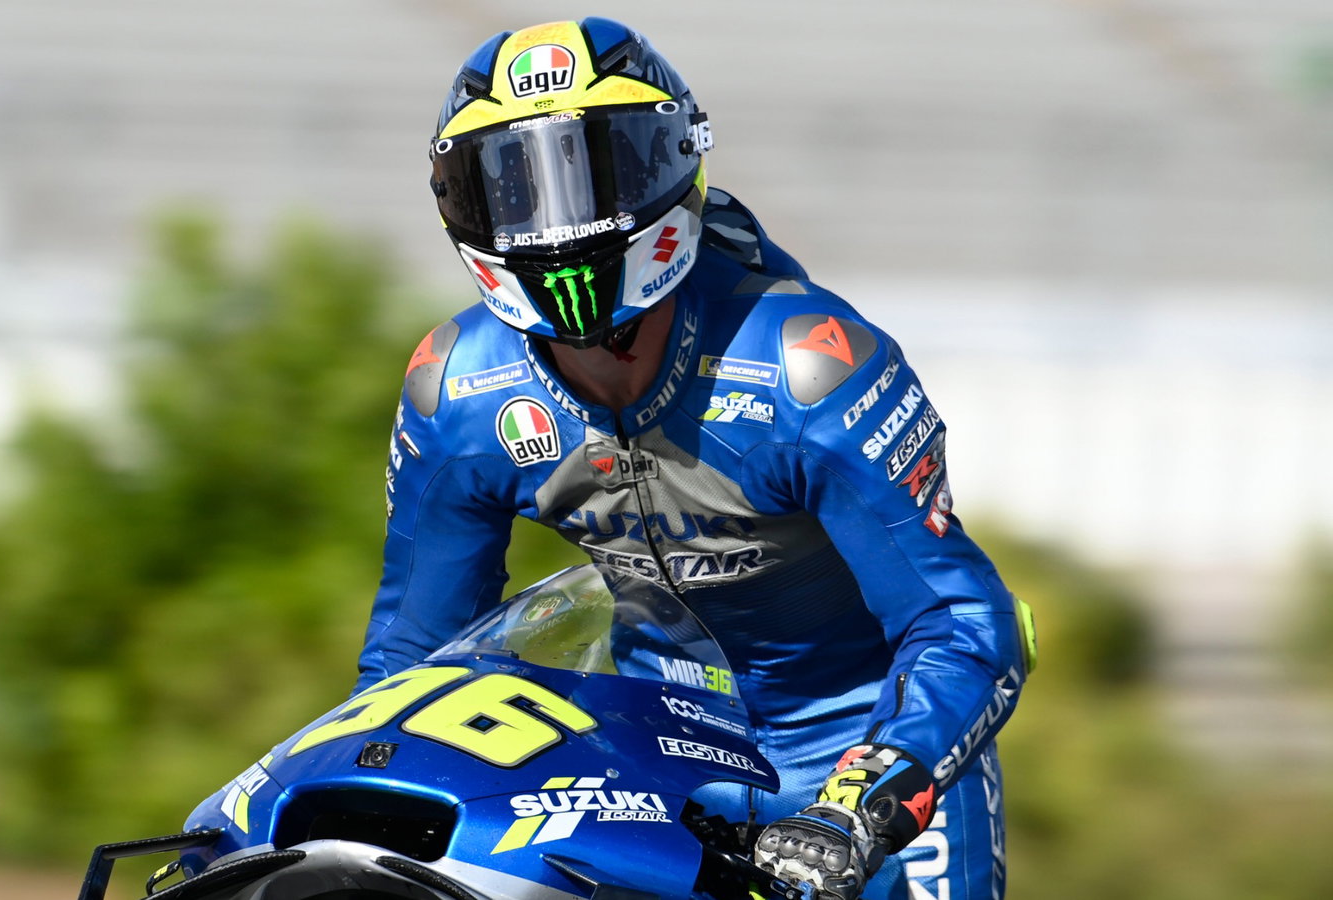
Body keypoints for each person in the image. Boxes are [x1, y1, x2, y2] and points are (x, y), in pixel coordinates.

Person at [359, 18, 1037, 900]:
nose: (559, 223)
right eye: (517, 187)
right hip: (652, 769)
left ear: (673, 162)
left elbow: (969, 624)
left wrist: (861, 805)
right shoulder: (452, 390)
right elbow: (414, 662)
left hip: (866, 755)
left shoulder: (811, 367)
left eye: (595, 172)